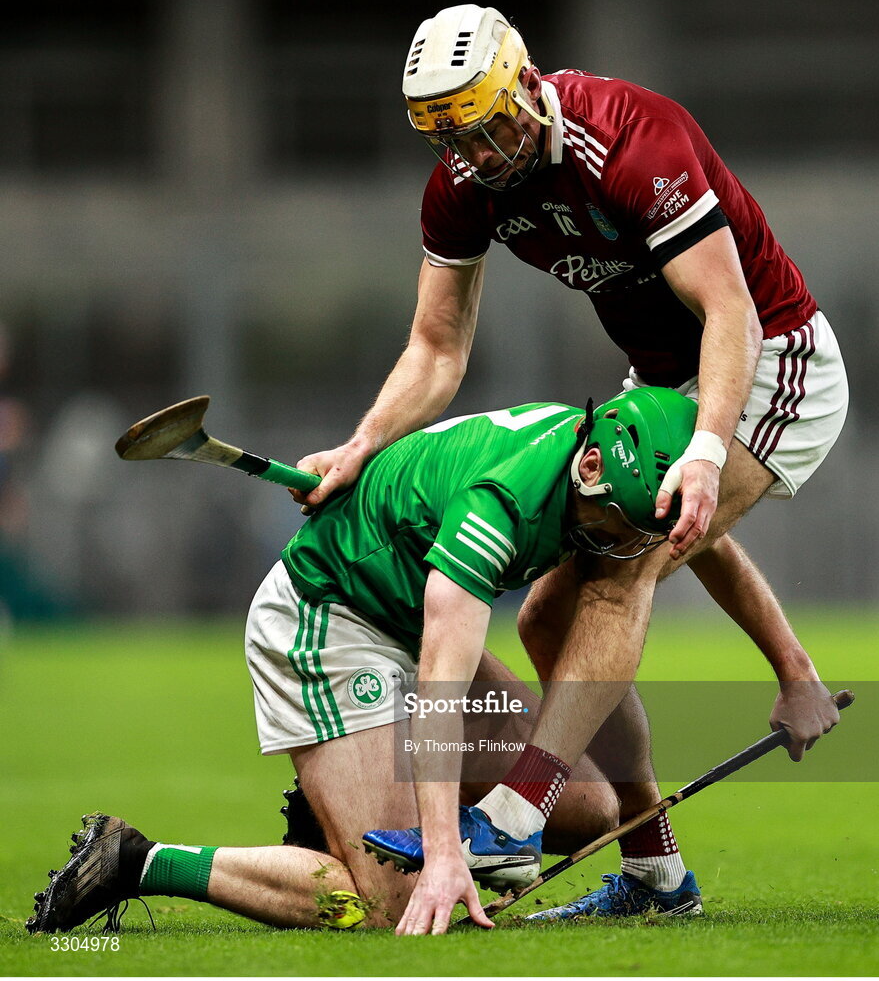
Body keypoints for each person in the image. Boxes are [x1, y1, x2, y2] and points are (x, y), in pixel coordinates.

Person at [288, 5, 849, 931]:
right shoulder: (465, 186)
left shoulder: (634, 141)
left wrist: (707, 449)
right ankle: (656, 875)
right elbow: (435, 348)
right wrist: (362, 445)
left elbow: (732, 314)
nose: (483, 152)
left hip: (769, 359)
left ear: (524, 82)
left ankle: (512, 816)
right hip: (666, 380)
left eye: (491, 122)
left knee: (616, 571)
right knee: (552, 616)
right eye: (457, 139)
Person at [28, 389, 708, 936]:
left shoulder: (600, 464)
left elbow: (708, 542)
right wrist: (443, 853)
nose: (619, 548)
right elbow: (440, 683)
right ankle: (139, 860)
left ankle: (351, 810)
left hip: (406, 619)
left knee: (592, 808)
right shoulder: (500, 506)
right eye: (617, 528)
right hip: (329, 624)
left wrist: (790, 667)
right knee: (389, 904)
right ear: (591, 467)